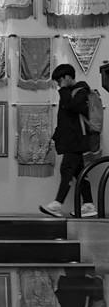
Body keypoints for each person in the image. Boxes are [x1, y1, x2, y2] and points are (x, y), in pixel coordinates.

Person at [40, 64, 97, 218]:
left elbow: (72, 107)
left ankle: (57, 204)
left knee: (66, 169)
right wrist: (54, 138)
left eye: (60, 81)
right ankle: (89, 205)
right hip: (72, 140)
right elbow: (65, 120)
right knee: (79, 172)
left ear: (67, 77)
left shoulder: (81, 91)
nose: (59, 85)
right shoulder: (70, 93)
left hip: (76, 140)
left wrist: (64, 89)